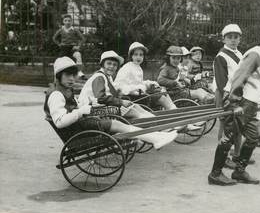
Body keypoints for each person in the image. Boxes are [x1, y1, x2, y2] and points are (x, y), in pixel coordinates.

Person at [208, 26, 260, 186]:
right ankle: (215, 174)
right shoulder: (255, 54)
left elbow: (258, 83)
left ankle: (239, 171)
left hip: (252, 105)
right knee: (229, 137)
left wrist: (259, 104)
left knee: (253, 137)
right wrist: (234, 103)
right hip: (241, 103)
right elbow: (239, 77)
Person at [44, 56, 177, 149]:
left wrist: (84, 108)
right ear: (58, 75)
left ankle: (157, 135)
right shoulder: (56, 94)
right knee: (123, 123)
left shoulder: (64, 89)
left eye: (74, 75)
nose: (72, 79)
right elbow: (60, 122)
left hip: (82, 123)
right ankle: (156, 136)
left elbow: (76, 107)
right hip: (80, 129)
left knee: (125, 120)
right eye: (68, 75)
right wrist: (80, 111)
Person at [114, 42, 201, 132]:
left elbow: (138, 82)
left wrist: (148, 83)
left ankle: (181, 121)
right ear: (131, 56)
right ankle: (179, 122)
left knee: (164, 93)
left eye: (141, 55)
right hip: (132, 97)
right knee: (161, 97)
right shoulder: (126, 68)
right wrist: (138, 88)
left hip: (139, 94)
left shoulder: (137, 67)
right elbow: (119, 86)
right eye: (136, 55)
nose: (139, 57)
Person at [78, 50, 158, 120]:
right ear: (103, 64)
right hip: (89, 110)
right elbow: (100, 97)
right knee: (131, 111)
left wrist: (119, 94)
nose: (112, 66)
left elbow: (110, 94)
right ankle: (150, 123)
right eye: (109, 63)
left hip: (98, 106)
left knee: (135, 106)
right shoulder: (99, 77)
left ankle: (154, 119)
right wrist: (121, 101)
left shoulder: (108, 77)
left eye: (115, 65)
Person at [212, 24, 247, 169]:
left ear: (239, 39)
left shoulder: (239, 54)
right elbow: (221, 82)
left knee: (238, 126)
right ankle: (224, 157)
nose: (233, 40)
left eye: (236, 37)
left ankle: (237, 155)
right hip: (225, 94)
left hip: (237, 93)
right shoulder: (221, 56)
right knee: (225, 125)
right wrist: (228, 99)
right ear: (224, 39)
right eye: (229, 37)